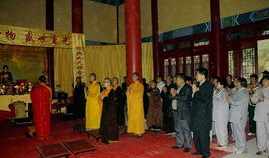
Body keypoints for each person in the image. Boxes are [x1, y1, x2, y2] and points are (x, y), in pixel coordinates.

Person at [191, 67, 213, 158]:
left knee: (203, 134)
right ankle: (199, 150)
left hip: (203, 115)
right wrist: (195, 91)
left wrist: (195, 92)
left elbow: (204, 99)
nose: (196, 76)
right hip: (197, 114)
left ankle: (206, 153)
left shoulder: (208, 85)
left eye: (197, 74)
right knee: (196, 134)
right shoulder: (200, 85)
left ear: (203, 75)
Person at [170, 74, 192, 152]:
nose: (176, 81)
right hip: (176, 110)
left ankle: (188, 145)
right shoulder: (178, 87)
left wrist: (175, 95)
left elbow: (185, 98)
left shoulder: (187, 87)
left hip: (184, 111)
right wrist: (172, 95)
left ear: (182, 80)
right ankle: (180, 143)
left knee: (185, 128)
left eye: (177, 79)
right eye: (176, 79)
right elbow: (173, 97)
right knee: (178, 128)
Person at [228, 77, 249, 154]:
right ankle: (238, 146)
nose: (234, 83)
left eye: (236, 82)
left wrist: (229, 100)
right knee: (235, 131)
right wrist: (230, 98)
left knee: (240, 131)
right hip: (234, 113)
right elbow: (232, 98)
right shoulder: (235, 90)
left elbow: (238, 102)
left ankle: (243, 147)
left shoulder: (244, 91)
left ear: (240, 83)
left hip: (240, 114)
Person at [29, 75, 52, 140]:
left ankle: (40, 136)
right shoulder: (49, 89)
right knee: (46, 121)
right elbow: (50, 100)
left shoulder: (34, 89)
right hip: (45, 108)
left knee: (39, 122)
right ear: (45, 81)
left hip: (38, 108)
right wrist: (50, 109)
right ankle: (46, 136)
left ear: (39, 81)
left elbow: (32, 98)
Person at [99, 78, 119, 144]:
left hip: (111, 110)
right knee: (104, 123)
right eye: (104, 82)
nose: (104, 83)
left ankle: (111, 138)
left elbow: (111, 100)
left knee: (110, 124)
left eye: (106, 82)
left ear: (109, 83)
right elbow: (100, 97)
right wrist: (101, 98)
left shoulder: (112, 90)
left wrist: (104, 98)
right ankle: (105, 138)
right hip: (105, 109)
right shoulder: (104, 90)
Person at [253, 76, 269, 155]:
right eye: (263, 81)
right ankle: (261, 148)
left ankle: (268, 148)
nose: (264, 82)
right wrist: (257, 99)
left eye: (266, 80)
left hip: (267, 113)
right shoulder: (259, 90)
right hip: (259, 113)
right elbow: (253, 100)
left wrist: (265, 98)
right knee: (260, 132)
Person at [212, 77, 229, 148]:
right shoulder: (215, 91)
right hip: (216, 111)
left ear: (222, 85)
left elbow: (225, 101)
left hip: (222, 112)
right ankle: (220, 141)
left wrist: (217, 99)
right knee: (217, 128)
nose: (216, 85)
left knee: (222, 128)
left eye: (218, 83)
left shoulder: (224, 91)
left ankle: (224, 142)